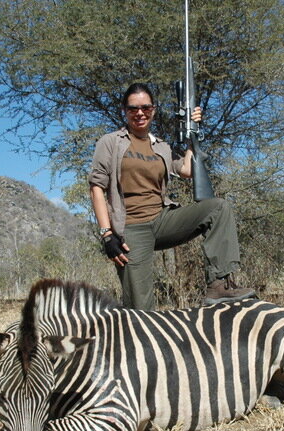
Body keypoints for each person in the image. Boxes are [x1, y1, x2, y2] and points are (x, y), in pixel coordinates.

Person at [89, 82, 256, 310]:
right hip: (131, 229)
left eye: (146, 108)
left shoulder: (162, 147)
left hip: (162, 220)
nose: (140, 113)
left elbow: (186, 170)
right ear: (124, 111)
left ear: (154, 110)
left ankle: (219, 285)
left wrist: (192, 132)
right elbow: (96, 187)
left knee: (218, 208)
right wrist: (107, 235)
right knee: (141, 310)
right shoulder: (110, 142)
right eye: (133, 109)